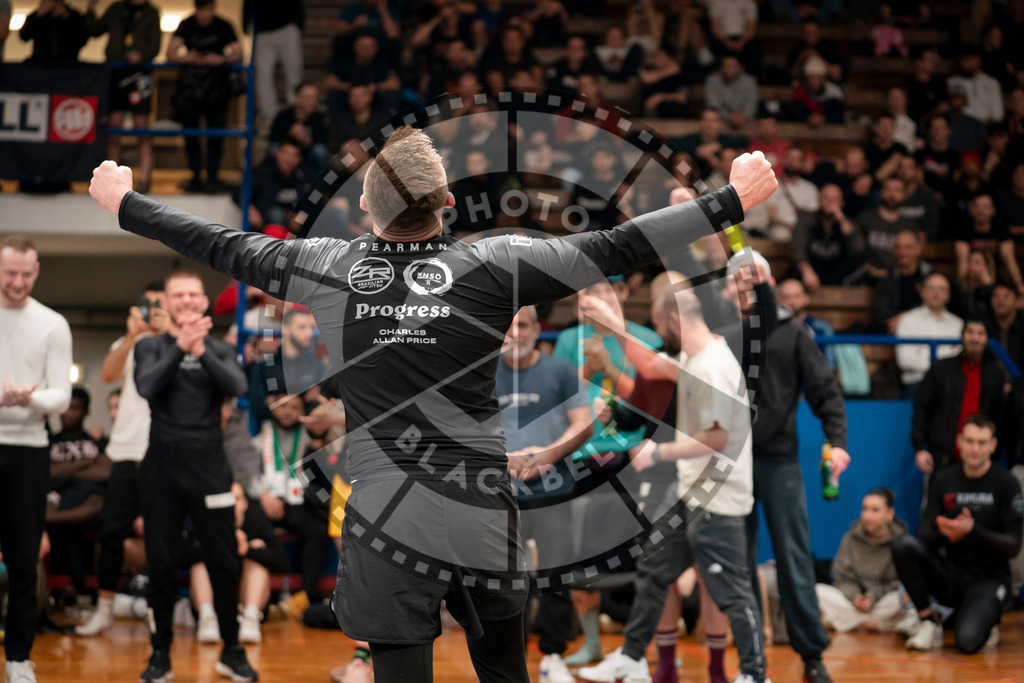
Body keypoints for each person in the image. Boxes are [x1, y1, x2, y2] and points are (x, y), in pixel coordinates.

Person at [88, 130, 778, 683]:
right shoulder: (494, 263)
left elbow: (219, 244)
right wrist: (728, 200)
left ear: (367, 208)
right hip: (479, 511)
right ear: (447, 202)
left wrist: (126, 202)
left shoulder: (330, 268)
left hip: (388, 517)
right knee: (505, 671)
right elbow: (614, 245)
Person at [580, 283, 769, 683]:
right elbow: (649, 367)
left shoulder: (713, 367)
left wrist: (659, 453)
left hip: (717, 499)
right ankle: (633, 656)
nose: (661, 332)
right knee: (654, 566)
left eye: (660, 320)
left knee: (733, 591)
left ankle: (755, 675)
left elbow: (718, 440)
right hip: (690, 492)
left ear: (672, 319)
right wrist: (614, 324)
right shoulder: (696, 355)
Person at [132, 269, 255, 682]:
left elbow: (239, 385)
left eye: (193, 294)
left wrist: (198, 349)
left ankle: (232, 650)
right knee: (162, 565)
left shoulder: (219, 350)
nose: (186, 300)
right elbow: (147, 387)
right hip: (161, 470)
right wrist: (180, 346)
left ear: (203, 303)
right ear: (166, 303)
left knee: (222, 561)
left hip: (210, 470)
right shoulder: (149, 347)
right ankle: (159, 655)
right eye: (178, 294)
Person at [747, 279, 850, 683]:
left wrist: (838, 442)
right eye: (735, 284)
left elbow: (826, 392)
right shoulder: (720, 331)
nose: (741, 291)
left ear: (765, 287)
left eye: (750, 283)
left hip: (778, 459)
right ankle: (749, 657)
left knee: (793, 558)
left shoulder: (792, 336)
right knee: (736, 562)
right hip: (728, 463)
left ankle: (811, 656)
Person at [496, 306, 593, 683]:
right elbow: (468, 429)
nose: (515, 333)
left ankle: (552, 655)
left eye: (523, 325)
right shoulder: (482, 374)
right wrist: (502, 460)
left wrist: (547, 456)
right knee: (506, 582)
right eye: (508, 327)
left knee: (556, 574)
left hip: (555, 489)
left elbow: (582, 423)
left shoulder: (561, 371)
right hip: (503, 493)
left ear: (537, 330)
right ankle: (509, 661)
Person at [77, 284, 171, 637]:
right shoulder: (126, 343)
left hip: (163, 452)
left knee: (161, 534)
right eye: (147, 305)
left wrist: (165, 333)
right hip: (126, 450)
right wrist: (132, 337)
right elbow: (106, 375)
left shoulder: (178, 342)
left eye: (160, 305)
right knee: (112, 531)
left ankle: (155, 609)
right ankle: (103, 609)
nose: (153, 310)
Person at [0, 235, 73, 683]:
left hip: (28, 451)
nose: (18, 282)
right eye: (10, 273)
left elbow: (61, 398)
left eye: (27, 274)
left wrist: (23, 400)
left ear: (37, 270)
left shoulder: (52, 323)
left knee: (25, 558)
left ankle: (18, 657)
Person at [893, 414, 1022, 653]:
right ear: (960, 441)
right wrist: (949, 534)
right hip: (951, 575)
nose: (975, 448)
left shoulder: (1006, 483)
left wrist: (973, 530)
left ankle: (982, 619)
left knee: (967, 642)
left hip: (989, 580)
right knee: (903, 545)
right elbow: (923, 535)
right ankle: (929, 622)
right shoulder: (943, 479)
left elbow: (1014, 545)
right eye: (970, 441)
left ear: (993, 445)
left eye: (982, 442)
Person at [911, 320, 1007, 478]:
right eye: (970, 332)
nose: (974, 338)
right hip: (943, 457)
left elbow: (1000, 417)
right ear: (962, 336)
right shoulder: (940, 369)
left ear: (987, 338)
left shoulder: (996, 374)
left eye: (980, 333)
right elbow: (922, 408)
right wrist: (920, 448)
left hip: (982, 461)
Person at [85, 0, 162, 194]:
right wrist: (90, 9)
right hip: (116, 73)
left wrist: (142, 54)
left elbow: (155, 46)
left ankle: (144, 179)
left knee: (142, 127)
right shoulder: (116, 9)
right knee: (114, 128)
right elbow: (94, 30)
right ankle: (112, 181)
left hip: (139, 74)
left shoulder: (151, 13)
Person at [166, 0, 242, 194]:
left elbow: (239, 52)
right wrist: (188, 59)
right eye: (201, 10)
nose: (204, 15)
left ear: (213, 8)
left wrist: (221, 60)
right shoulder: (187, 24)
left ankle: (212, 179)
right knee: (190, 136)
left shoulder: (223, 25)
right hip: (191, 90)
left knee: (216, 136)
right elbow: (170, 53)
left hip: (217, 89)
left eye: (207, 10)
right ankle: (196, 177)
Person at [815, 488, 907, 633]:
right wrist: (855, 597)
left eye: (875, 510)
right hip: (853, 603)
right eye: (865, 509)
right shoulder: (850, 539)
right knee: (817, 591)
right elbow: (842, 579)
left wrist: (872, 597)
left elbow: (900, 583)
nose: (867, 515)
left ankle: (846, 623)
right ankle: (875, 625)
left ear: (890, 513)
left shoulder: (901, 543)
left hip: (881, 602)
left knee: (905, 598)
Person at [895, 272, 964, 395]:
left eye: (942, 289)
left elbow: (960, 360)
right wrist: (946, 355)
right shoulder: (907, 320)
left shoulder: (958, 324)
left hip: (951, 384)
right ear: (922, 292)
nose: (936, 293)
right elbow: (905, 360)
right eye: (931, 288)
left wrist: (921, 354)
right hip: (917, 383)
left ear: (948, 295)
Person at [242, 0, 304, 134]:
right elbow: (247, 4)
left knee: (294, 75)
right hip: (262, 32)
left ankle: (295, 117)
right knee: (263, 78)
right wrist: (246, 27)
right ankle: (272, 121)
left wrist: (299, 25)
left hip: (287, 27)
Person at [790, 184, 864, 290]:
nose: (830, 202)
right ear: (819, 200)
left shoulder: (848, 223)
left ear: (842, 203)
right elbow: (798, 250)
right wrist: (806, 271)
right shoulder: (806, 220)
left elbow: (859, 250)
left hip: (837, 274)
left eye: (834, 199)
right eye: (826, 198)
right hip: (811, 270)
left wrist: (841, 219)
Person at [267, 81, 332, 172]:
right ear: (297, 98)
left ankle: (322, 184)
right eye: (308, 98)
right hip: (288, 153)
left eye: (314, 98)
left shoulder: (319, 118)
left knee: (320, 151)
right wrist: (290, 134)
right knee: (273, 150)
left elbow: (324, 142)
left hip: (308, 154)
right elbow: (274, 140)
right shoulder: (283, 116)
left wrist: (307, 140)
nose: (312, 101)